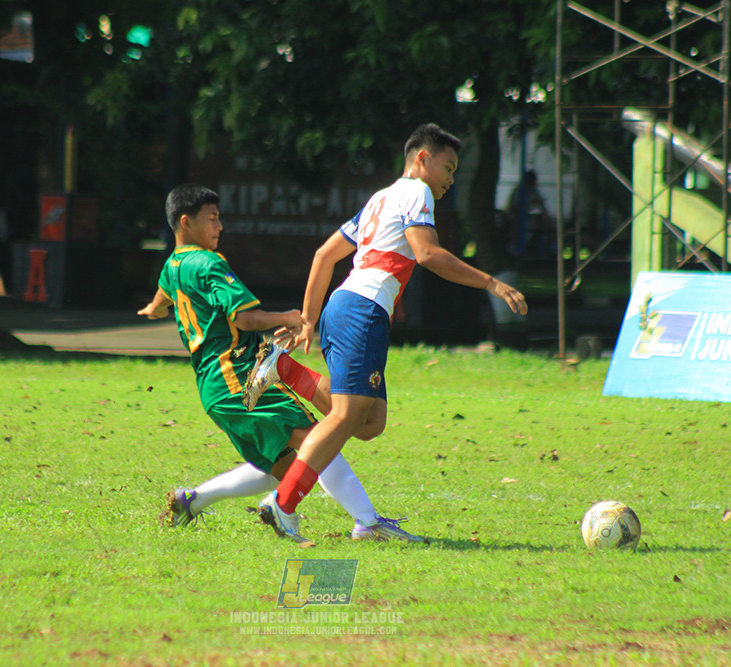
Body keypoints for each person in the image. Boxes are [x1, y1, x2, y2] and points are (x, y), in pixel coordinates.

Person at [254, 123, 528, 543]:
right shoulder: (416, 192)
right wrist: (491, 283)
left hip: (349, 308)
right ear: (422, 158)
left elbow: (325, 255)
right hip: (361, 310)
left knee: (369, 423)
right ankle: (284, 502)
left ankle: (289, 374)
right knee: (347, 415)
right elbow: (428, 254)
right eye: (448, 167)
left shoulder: (380, 197)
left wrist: (310, 318)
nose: (451, 179)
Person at [139, 183, 422, 542]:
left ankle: (192, 501)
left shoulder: (173, 264)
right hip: (238, 376)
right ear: (186, 222)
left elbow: (164, 292)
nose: (220, 226)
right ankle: (369, 523)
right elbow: (243, 318)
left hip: (214, 388)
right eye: (212, 219)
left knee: (286, 467)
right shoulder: (208, 262)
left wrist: (155, 307)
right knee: (318, 443)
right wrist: (287, 316)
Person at [504, 170, 554, 258]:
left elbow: (540, 205)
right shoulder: (518, 190)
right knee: (516, 222)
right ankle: (513, 245)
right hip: (516, 215)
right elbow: (514, 206)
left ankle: (548, 246)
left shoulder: (534, 191)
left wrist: (544, 215)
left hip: (528, 216)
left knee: (546, 220)